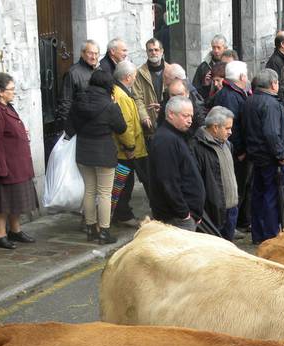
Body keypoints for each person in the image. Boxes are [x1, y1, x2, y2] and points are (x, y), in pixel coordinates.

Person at [71, 70, 127, 244]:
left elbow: (70, 125)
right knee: (104, 193)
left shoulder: (78, 100)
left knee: (89, 190)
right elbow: (121, 128)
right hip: (103, 151)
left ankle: (90, 229)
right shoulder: (110, 105)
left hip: (83, 149)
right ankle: (104, 232)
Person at [242, 69, 284, 244]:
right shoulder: (271, 104)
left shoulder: (250, 101)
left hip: (256, 157)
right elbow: (271, 133)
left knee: (259, 196)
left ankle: (259, 234)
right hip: (271, 159)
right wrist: (281, 155)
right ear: (273, 84)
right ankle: (271, 237)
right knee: (272, 197)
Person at [0, 73, 37, 250]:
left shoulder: (7, 106)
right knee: (2, 203)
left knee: (15, 202)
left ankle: (15, 231)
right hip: (5, 166)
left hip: (18, 166)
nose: (14, 92)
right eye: (11, 89)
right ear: (0, 91)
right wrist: (0, 167)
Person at [148, 96, 205, 231]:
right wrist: (184, 213)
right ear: (171, 115)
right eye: (185, 116)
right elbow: (168, 180)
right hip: (176, 218)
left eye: (191, 116)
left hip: (184, 215)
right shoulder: (166, 140)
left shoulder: (176, 135)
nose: (190, 120)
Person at [192, 106, 243, 240]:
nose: (230, 132)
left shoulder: (227, 144)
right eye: (227, 128)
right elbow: (197, 183)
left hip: (231, 208)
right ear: (215, 127)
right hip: (214, 212)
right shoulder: (197, 148)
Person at [111, 61, 150, 228]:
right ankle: (123, 214)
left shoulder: (118, 92)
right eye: (134, 76)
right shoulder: (122, 96)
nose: (135, 79)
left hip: (124, 150)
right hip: (125, 151)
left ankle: (120, 213)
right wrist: (130, 147)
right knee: (125, 184)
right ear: (128, 77)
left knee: (123, 184)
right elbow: (125, 125)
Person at [213, 61, 251, 234]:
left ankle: (241, 220)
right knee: (235, 188)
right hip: (235, 153)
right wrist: (241, 150)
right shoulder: (230, 96)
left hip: (235, 151)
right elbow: (231, 127)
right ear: (242, 77)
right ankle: (232, 225)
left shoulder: (232, 93)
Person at [54, 39, 99, 150]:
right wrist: (70, 130)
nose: (94, 57)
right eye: (90, 53)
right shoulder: (73, 73)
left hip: (96, 127)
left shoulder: (98, 70)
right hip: (79, 128)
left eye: (96, 53)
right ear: (82, 53)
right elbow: (65, 102)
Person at [133, 38, 168, 140]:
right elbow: (137, 97)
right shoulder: (139, 73)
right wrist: (143, 115)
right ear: (147, 52)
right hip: (149, 123)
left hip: (168, 120)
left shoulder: (170, 70)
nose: (153, 53)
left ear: (162, 51)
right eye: (150, 50)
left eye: (156, 50)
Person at [193, 34, 228, 98]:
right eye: (214, 47)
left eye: (218, 47)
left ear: (225, 48)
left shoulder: (231, 65)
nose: (216, 51)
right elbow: (195, 90)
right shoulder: (203, 66)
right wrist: (206, 85)